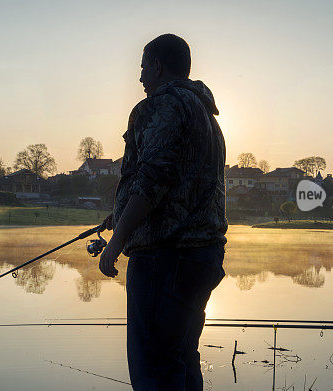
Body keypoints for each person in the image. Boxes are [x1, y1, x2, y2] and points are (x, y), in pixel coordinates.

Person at [98, 33, 228, 391]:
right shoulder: (206, 113)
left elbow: (153, 179)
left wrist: (116, 243)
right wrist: (120, 213)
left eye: (142, 67)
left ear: (157, 65)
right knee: (182, 360)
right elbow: (183, 184)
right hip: (203, 255)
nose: (140, 78)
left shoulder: (159, 106)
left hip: (165, 259)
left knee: (153, 369)